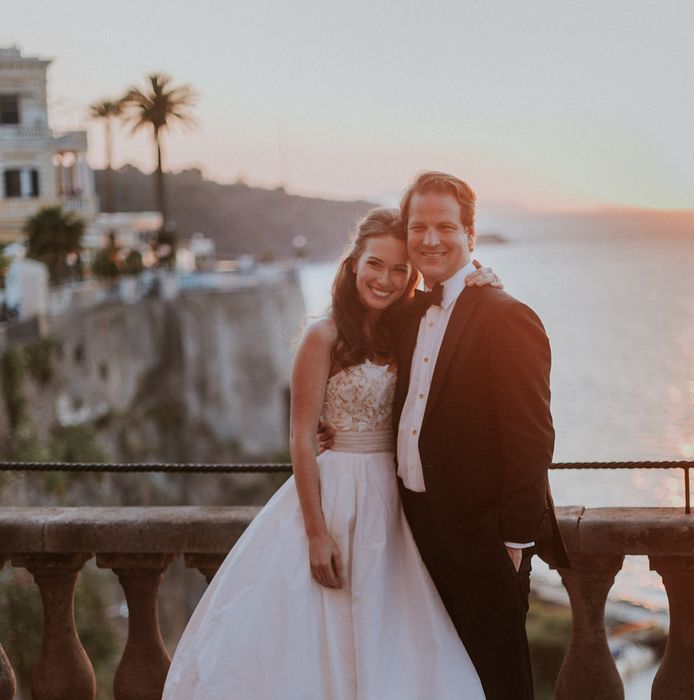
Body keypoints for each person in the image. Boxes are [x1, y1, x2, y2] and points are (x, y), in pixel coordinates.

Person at [162, 207, 500, 700]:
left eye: (399, 269)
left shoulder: (407, 328)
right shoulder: (322, 336)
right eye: (375, 264)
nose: (385, 279)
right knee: (330, 626)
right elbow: (300, 437)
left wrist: (481, 278)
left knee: (392, 628)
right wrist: (317, 535)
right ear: (353, 264)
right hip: (338, 495)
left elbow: (451, 320)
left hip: (396, 500)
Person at [392, 171, 570, 700]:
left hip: (484, 543)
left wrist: (513, 539)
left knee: (497, 682)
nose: (429, 239)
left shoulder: (506, 316)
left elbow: (531, 437)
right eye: (417, 226)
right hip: (412, 534)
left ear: (470, 232)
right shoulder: (404, 316)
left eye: (444, 226)